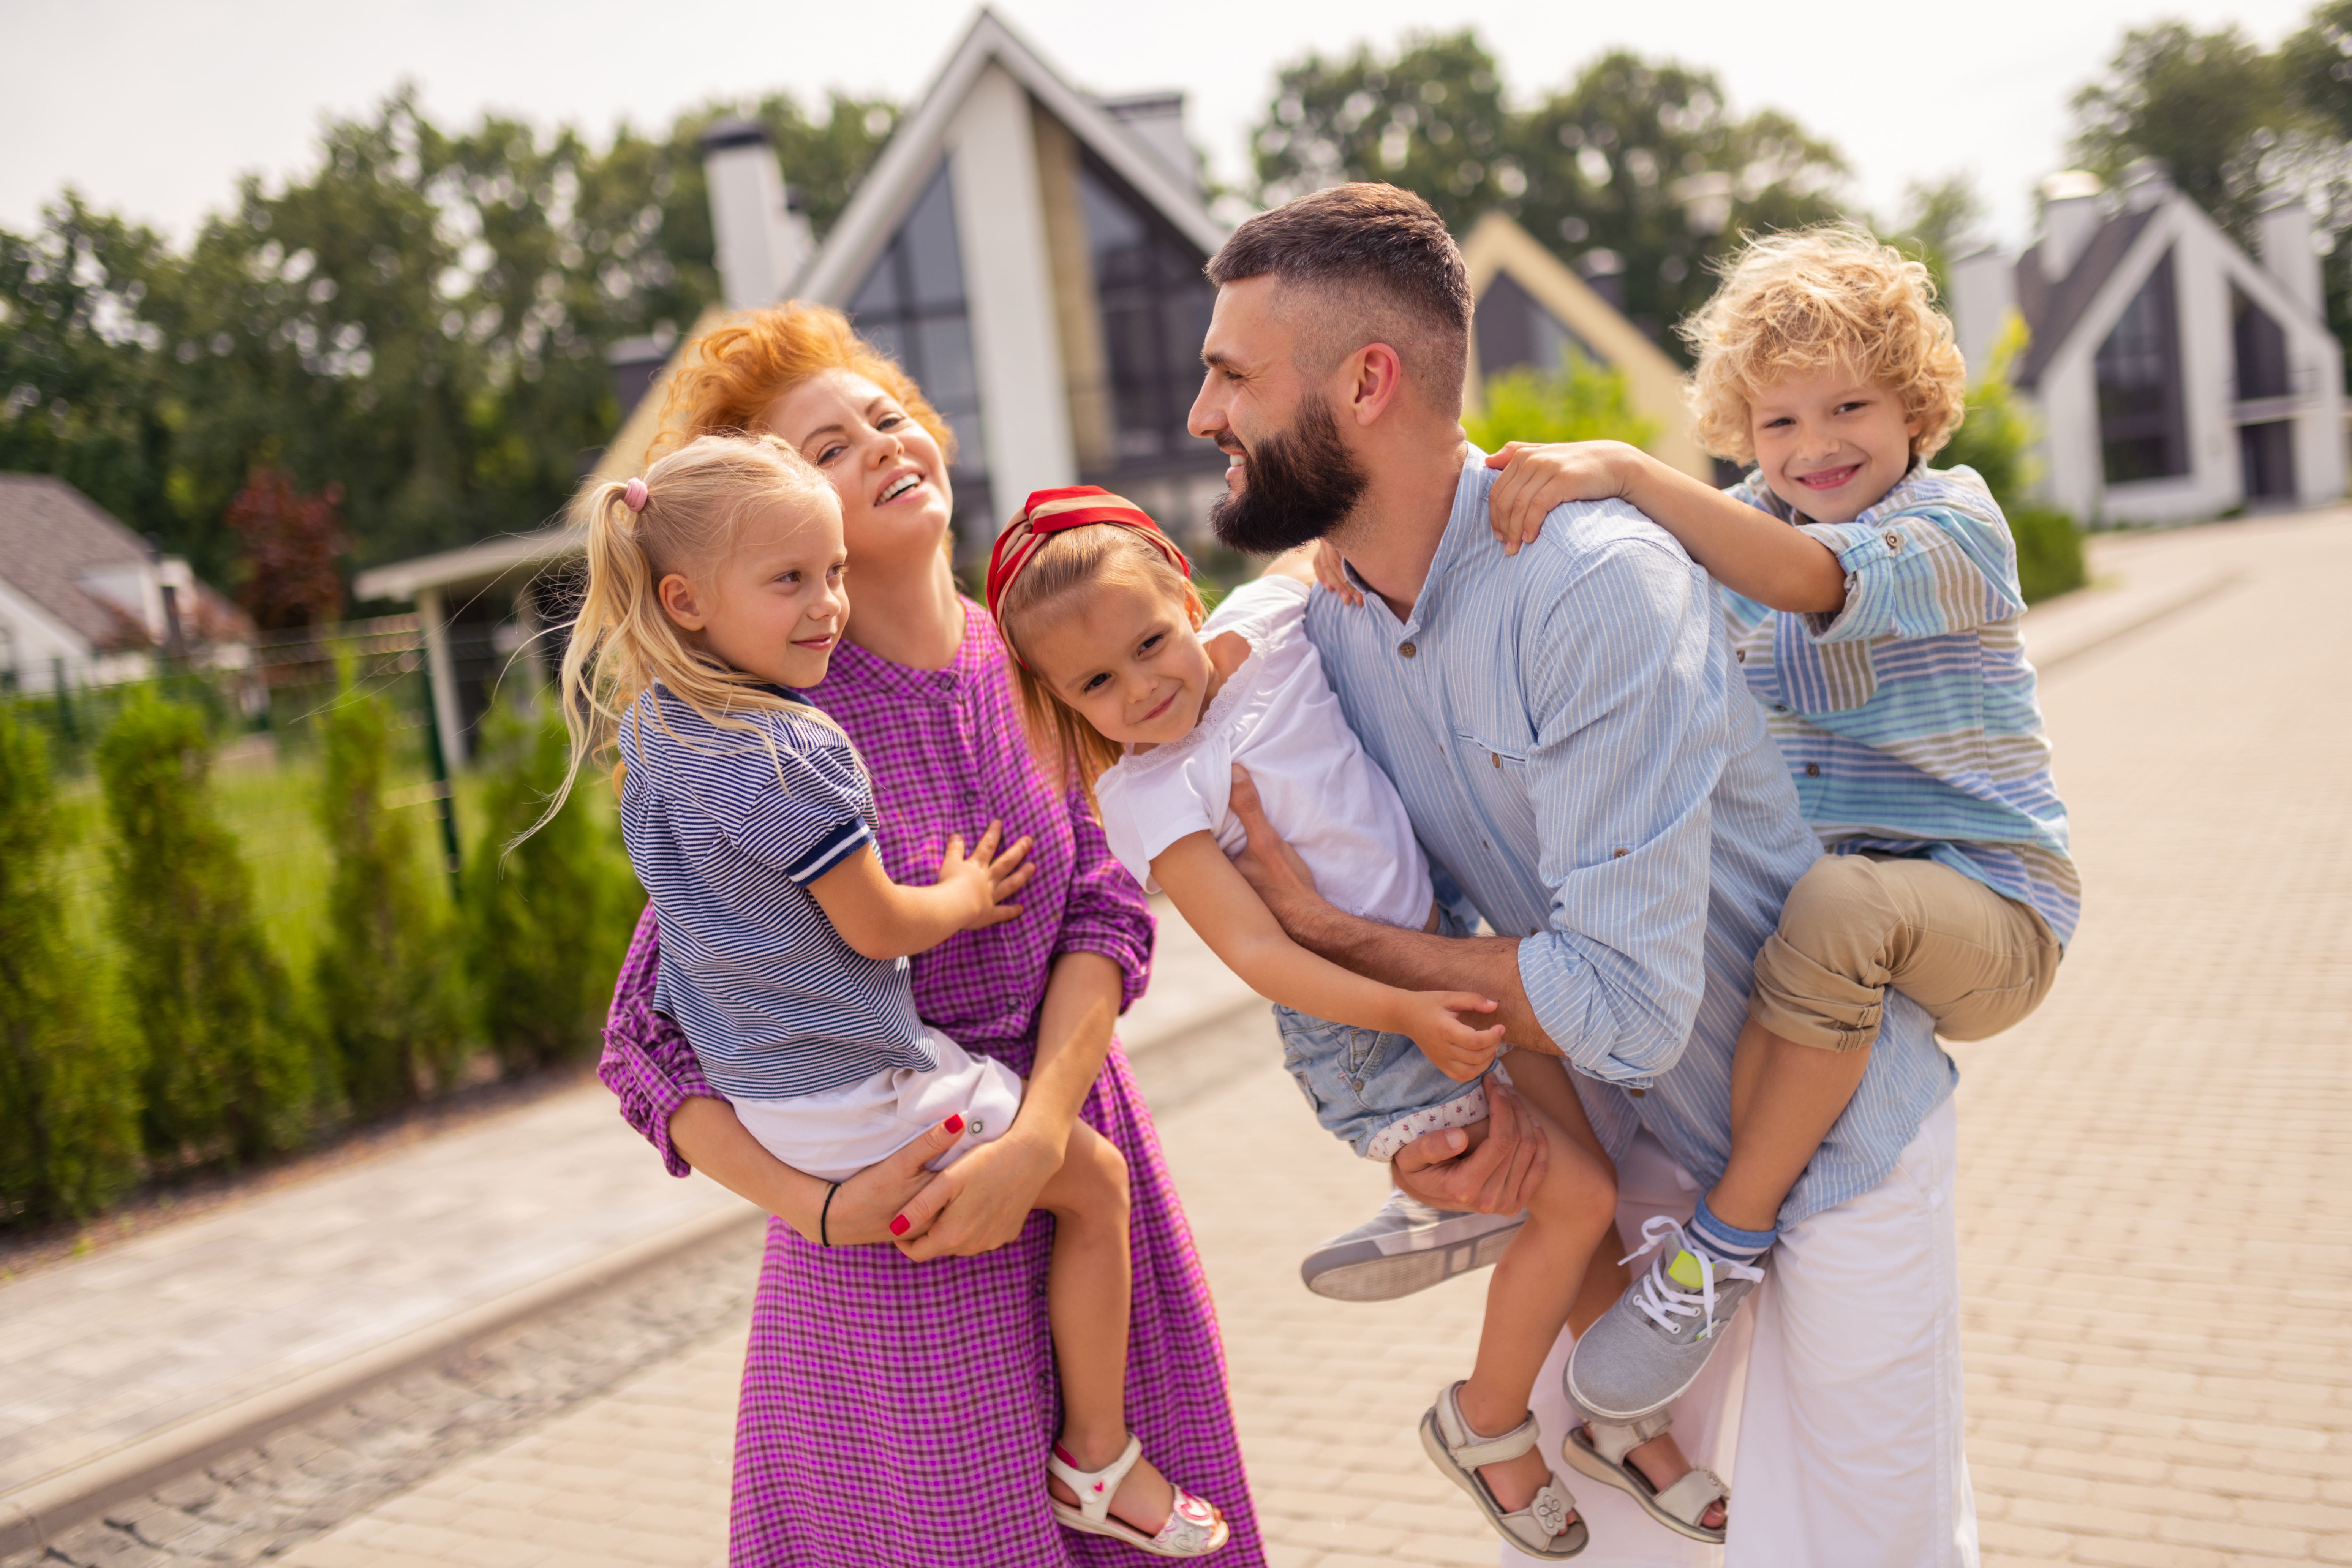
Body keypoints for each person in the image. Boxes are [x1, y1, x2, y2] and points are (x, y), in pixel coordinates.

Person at [1190, 183, 1977, 1564]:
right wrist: (1429, 1117)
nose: (1207, 419)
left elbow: (1619, 1005)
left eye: (1234, 376)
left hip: (1841, 1142)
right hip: (1641, 1167)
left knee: (1870, 1548)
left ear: (1367, 382)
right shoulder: (1317, 624)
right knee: (1625, 1544)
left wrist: (1338, 947)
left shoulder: (1592, 583)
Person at [593, 306, 1265, 1567]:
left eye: (888, 418)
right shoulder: (764, 735)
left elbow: (1103, 907)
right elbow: (648, 1043)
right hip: (902, 1242)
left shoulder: (1033, 656)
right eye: (829, 448)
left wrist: (1048, 1133)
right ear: (770, 523)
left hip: (1074, 1166)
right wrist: (822, 1206)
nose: (881, 447)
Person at [1475, 227, 2076, 1428]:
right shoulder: (1725, 532)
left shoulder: (1955, 524)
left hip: (1992, 915)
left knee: (1840, 904)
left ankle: (1723, 1248)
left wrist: (1636, 475)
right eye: (1778, 423)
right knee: (1563, 935)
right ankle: (1478, 1174)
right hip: (1827, 927)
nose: (1816, 447)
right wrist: (1345, 565)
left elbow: (1813, 578)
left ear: (1918, 407)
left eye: (1850, 405)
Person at [985, 484, 1617, 1559]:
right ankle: (1490, 1422)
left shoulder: (1267, 630)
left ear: (1186, 595)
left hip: (1444, 942)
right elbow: (1264, 954)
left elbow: (1325, 544)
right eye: (1097, 682)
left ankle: (1619, 1411)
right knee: (1579, 1198)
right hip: (1368, 1030)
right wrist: (1407, 1011)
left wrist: (1332, 548)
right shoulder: (1149, 795)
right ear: (1057, 697)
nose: (1141, 688)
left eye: (1148, 643)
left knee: (1586, 1186)